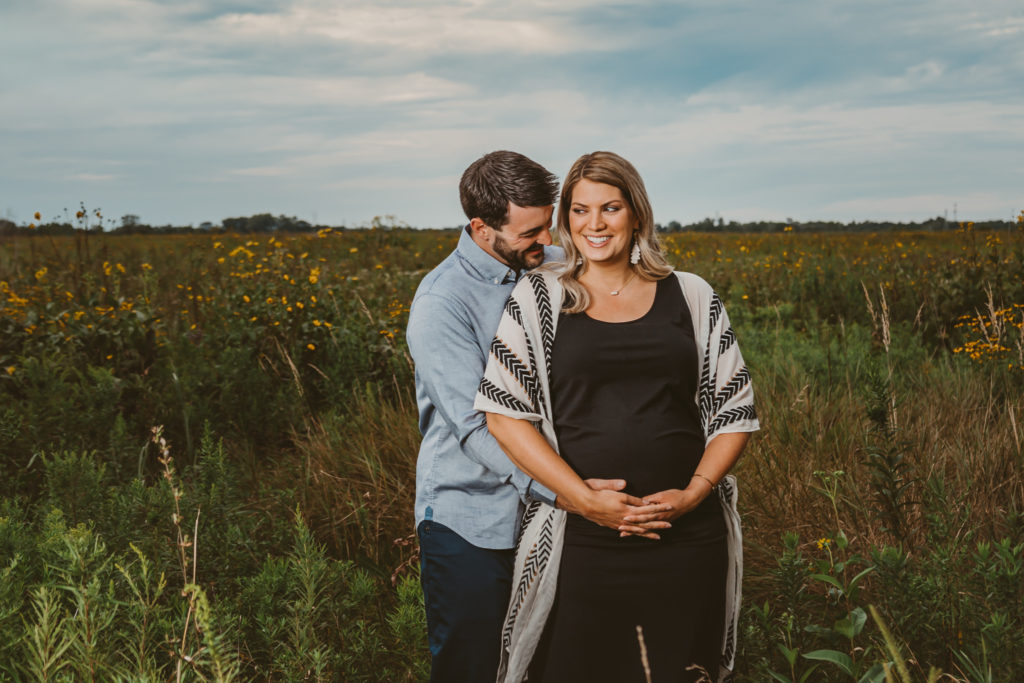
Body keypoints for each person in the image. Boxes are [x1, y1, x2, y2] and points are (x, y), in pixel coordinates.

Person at [475, 151, 760, 683]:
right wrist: (585, 501)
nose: (595, 225)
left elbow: (734, 411)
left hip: (687, 537)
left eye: (610, 207)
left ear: (636, 214)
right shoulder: (539, 297)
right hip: (584, 539)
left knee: (681, 670)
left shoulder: (692, 294)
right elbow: (504, 416)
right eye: (580, 211)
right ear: (566, 220)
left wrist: (694, 494)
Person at [407, 151, 663, 682]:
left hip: (553, 517)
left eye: (548, 222)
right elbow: (476, 428)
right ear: (481, 228)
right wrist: (572, 494)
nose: (546, 238)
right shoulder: (441, 303)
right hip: (472, 522)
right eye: (530, 230)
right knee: (475, 667)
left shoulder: (549, 264)